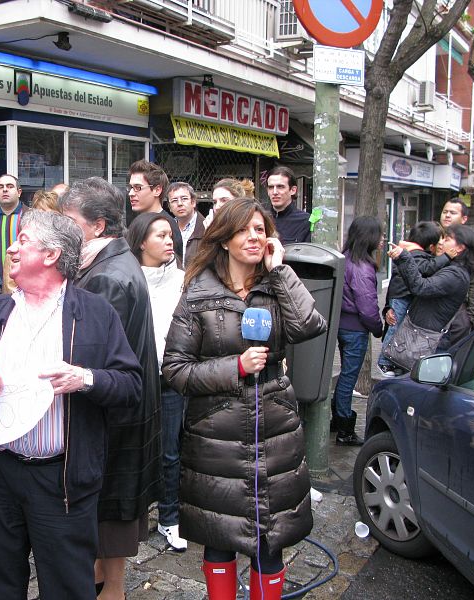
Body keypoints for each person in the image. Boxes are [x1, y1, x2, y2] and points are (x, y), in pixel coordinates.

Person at [0, 209, 143, 600]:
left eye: (23, 240)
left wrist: (85, 378)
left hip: (61, 483)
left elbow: (131, 387)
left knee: (67, 589)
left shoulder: (94, 313)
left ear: (50, 254)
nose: (11, 249)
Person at [162, 198, 326, 600]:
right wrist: (235, 366)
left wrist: (280, 269)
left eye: (260, 230)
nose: (253, 237)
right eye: (243, 230)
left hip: (275, 425)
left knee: (271, 539)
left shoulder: (276, 284)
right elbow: (175, 369)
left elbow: (309, 325)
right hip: (216, 431)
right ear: (223, 239)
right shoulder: (198, 292)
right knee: (220, 535)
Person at [60, 178, 162, 600]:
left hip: (116, 416)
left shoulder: (107, 276)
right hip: (122, 410)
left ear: (98, 225)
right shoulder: (110, 262)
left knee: (111, 507)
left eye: (69, 221)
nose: (62, 229)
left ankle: (112, 589)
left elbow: (98, 358)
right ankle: (102, 577)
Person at [125, 212, 187, 553]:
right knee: (132, 447)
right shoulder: (127, 278)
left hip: (169, 377)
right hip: (135, 376)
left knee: (170, 451)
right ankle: (130, 518)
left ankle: (169, 517)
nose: (168, 241)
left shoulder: (182, 280)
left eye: (170, 235)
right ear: (141, 242)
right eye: (160, 235)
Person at [330, 216, 384, 446]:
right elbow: (368, 307)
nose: (382, 239)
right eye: (380, 234)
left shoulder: (345, 259)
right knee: (348, 378)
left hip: (342, 326)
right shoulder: (362, 267)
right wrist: (378, 329)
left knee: (345, 376)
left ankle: (337, 420)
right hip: (355, 330)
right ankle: (345, 429)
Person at [388, 223, 474, 351]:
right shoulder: (450, 266)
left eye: (447, 239)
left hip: (428, 340)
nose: (441, 242)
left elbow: (421, 287)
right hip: (423, 336)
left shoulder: (455, 275)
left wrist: (405, 257)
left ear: (459, 248)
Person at [377, 221, 447, 377]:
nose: (442, 243)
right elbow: (427, 268)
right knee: (396, 327)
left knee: (399, 329)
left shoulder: (410, 253)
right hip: (402, 297)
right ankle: (385, 360)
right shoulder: (417, 256)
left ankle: (392, 361)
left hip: (401, 297)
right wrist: (447, 257)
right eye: (440, 240)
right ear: (431, 246)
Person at [438, 198, 474, 332]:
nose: (447, 215)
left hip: (456, 313)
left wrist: (470, 317)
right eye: (445, 212)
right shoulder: (432, 233)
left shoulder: (468, 241)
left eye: (453, 213)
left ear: (464, 219)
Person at [128, 159, 183, 263]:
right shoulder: (138, 222)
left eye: (138, 187)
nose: (131, 193)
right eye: (131, 187)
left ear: (157, 190)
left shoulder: (168, 225)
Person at [266, 166, 311, 244]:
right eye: (271, 187)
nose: (275, 192)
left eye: (280, 187)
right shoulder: (261, 218)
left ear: (293, 190)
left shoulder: (306, 221)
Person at [167, 181, 204, 267]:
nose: (179, 204)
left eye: (184, 199)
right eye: (174, 200)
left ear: (193, 202)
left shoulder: (206, 227)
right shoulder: (167, 228)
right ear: (169, 207)